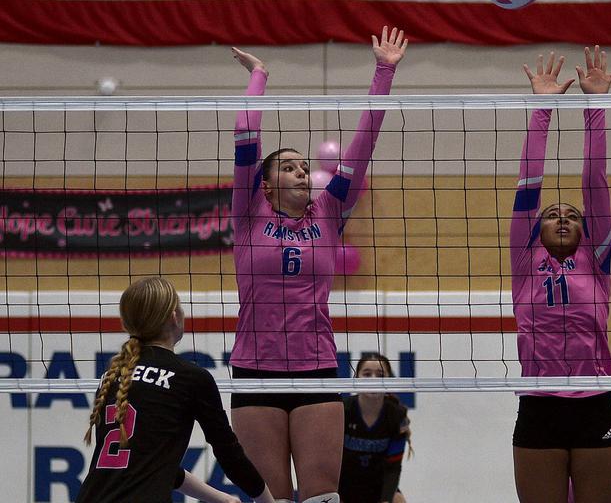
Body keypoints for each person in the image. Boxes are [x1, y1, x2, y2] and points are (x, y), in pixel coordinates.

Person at [228, 26, 407, 503]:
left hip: (317, 368)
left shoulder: (329, 212)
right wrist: (259, 76)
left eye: (305, 166)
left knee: (323, 496)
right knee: (271, 499)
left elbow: (364, 144)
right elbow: (247, 130)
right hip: (255, 368)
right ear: (264, 185)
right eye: (288, 166)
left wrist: (383, 72)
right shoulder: (248, 213)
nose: (302, 171)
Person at [510, 47, 611, 503]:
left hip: (595, 401)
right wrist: (543, 109)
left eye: (572, 216)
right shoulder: (525, 257)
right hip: (538, 404)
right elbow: (528, 182)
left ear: (586, 228)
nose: (561, 218)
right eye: (552, 214)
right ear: (536, 227)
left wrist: (594, 105)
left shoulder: (596, 259)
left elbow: (595, 182)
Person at [77, 277, 274, 503]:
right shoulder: (190, 377)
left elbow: (152, 464)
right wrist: (267, 501)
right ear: (173, 316)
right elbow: (229, 454)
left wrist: (221, 498)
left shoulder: (113, 377)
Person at [339, 353, 411, 503]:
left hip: (378, 487)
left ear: (389, 381)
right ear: (356, 379)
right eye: (367, 374)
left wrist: (385, 500)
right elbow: (331, 462)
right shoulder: (342, 411)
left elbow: (393, 468)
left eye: (380, 375)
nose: (373, 379)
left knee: (398, 500)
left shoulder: (397, 416)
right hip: (344, 486)